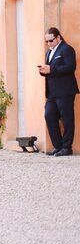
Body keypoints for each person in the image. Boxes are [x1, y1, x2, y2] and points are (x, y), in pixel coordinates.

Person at [41, 27, 78, 156]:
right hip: (52, 92)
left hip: (65, 91)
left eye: (51, 40)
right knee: (49, 115)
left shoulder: (67, 49)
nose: (48, 43)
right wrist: (44, 71)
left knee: (67, 119)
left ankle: (67, 148)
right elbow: (51, 70)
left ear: (58, 38)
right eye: (46, 41)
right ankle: (58, 146)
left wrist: (51, 70)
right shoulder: (49, 52)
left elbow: (70, 67)